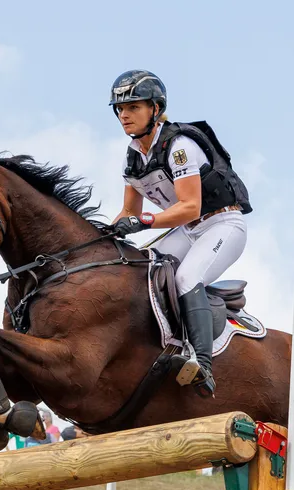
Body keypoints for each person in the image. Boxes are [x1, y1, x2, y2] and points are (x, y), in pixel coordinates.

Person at [108, 70, 253, 398]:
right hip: (187, 232)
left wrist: (144, 222)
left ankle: (202, 362)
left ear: (155, 109)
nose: (124, 115)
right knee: (142, 272)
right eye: (119, 109)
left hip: (222, 225)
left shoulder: (179, 146)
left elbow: (189, 206)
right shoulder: (133, 156)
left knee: (187, 277)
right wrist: (102, 232)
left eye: (133, 107)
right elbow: (128, 213)